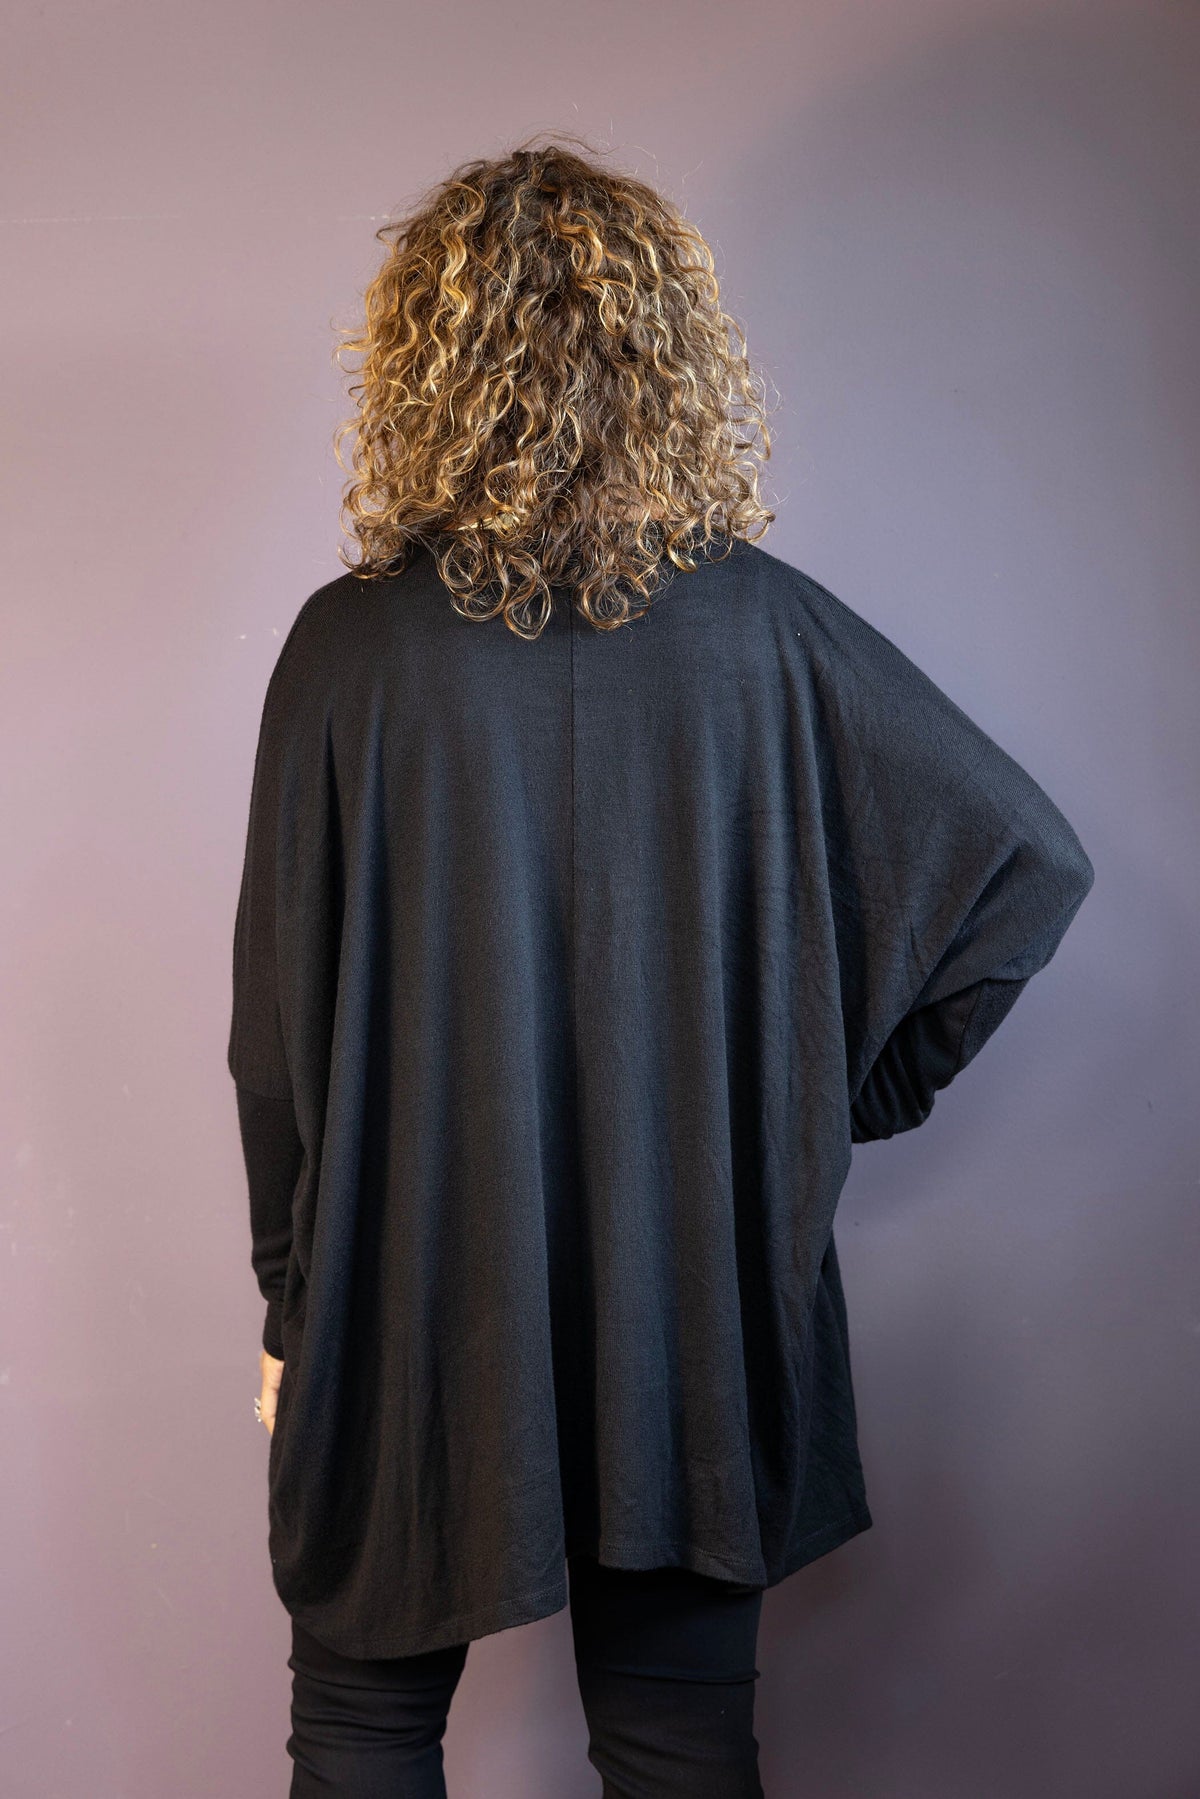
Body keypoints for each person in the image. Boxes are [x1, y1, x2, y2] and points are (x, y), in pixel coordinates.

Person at [227, 135, 1095, 1797]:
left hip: (406, 1289)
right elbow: (1024, 867)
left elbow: (278, 1038)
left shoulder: (351, 648)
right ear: (668, 359)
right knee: (679, 1744)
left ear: (425, 366)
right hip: (690, 1292)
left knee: (360, 1733)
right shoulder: (768, 631)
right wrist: (828, 1106)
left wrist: (293, 1307)